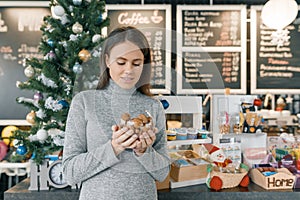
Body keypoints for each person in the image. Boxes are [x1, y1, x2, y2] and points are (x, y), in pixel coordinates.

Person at [62, 26, 170, 200]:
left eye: (136, 63)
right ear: (106, 60)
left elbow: (162, 174)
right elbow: (70, 173)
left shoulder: (153, 106)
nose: (129, 70)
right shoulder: (84, 102)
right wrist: (114, 148)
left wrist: (144, 151)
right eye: (121, 62)